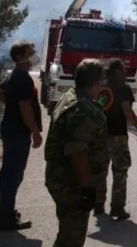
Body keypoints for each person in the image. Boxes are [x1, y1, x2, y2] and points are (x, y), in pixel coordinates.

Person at [45, 59, 109, 247]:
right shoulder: (83, 110)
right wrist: (87, 188)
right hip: (72, 186)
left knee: (67, 235)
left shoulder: (70, 96)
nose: (104, 83)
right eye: (102, 80)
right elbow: (78, 153)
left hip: (63, 181)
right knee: (71, 240)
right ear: (94, 82)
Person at [0, 41, 43, 231]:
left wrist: (10, 105)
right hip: (19, 131)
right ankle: (6, 218)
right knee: (13, 174)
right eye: (30, 52)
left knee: (7, 172)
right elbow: (25, 108)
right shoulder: (22, 78)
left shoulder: (14, 75)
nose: (34, 55)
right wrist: (36, 132)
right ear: (20, 57)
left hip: (11, 128)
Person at [94, 59, 137, 220]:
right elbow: (127, 111)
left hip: (100, 135)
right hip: (118, 135)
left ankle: (98, 204)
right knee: (120, 171)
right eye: (123, 69)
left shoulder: (100, 85)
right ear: (117, 71)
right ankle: (117, 207)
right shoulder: (123, 88)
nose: (125, 72)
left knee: (101, 171)